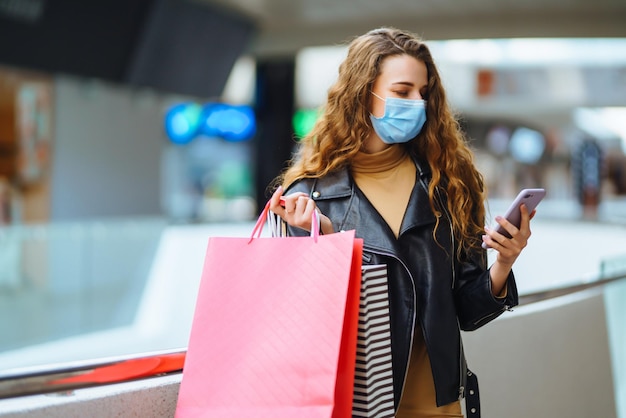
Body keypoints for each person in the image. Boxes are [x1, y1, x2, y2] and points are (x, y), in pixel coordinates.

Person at [268, 27, 535, 418]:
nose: (417, 103)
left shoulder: (450, 182)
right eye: (402, 91)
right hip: (354, 404)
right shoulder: (310, 195)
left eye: (424, 93)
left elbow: (467, 310)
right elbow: (301, 323)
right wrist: (326, 242)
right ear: (364, 93)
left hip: (438, 403)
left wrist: (504, 264)